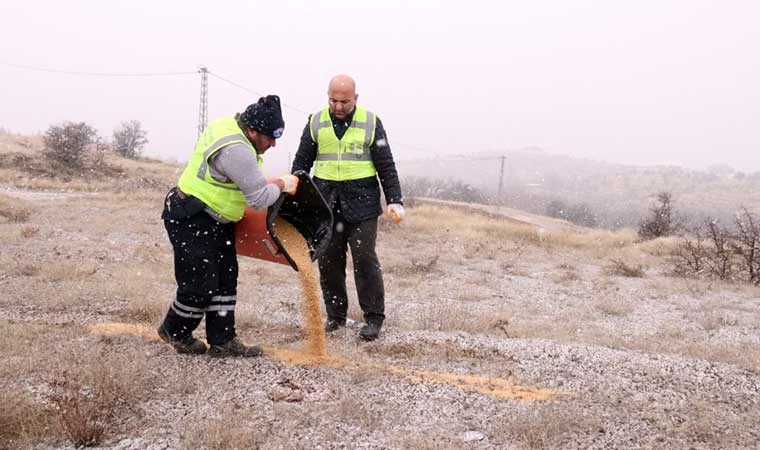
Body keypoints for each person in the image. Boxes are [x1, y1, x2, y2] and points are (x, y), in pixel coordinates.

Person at [157, 95, 299, 357]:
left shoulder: (233, 128)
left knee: (225, 279)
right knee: (198, 284)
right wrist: (282, 184)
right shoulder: (237, 150)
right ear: (252, 130)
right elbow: (258, 199)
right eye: (269, 137)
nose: (273, 144)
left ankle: (223, 341)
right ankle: (174, 330)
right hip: (191, 215)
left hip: (215, 218)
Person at [291, 75, 404, 341]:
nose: (338, 106)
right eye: (333, 100)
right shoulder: (316, 122)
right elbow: (301, 163)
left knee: (365, 260)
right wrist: (295, 198)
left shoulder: (371, 122)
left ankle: (374, 318)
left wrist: (395, 199)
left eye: (344, 101)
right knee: (329, 261)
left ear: (356, 98)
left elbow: (386, 165)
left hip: (362, 204)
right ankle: (335, 316)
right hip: (326, 203)